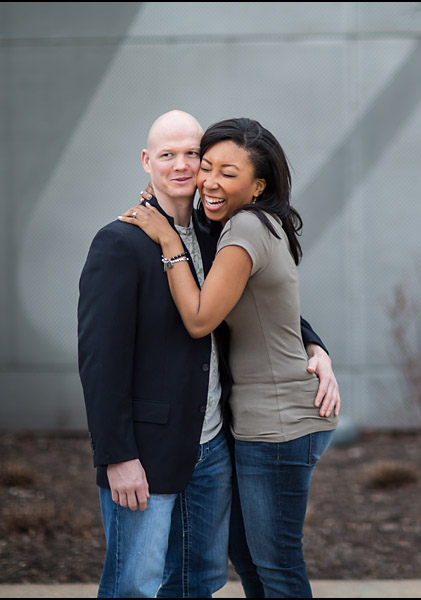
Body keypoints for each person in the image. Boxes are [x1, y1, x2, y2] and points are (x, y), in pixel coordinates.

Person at [78, 110, 340, 598]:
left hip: (213, 445)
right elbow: (100, 362)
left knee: (199, 581)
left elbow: (259, 302)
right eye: (168, 154)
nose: (183, 166)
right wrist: (117, 455)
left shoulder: (215, 230)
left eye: (192, 154)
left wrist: (313, 344)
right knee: (134, 587)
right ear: (146, 161)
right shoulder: (119, 243)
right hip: (148, 452)